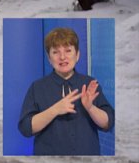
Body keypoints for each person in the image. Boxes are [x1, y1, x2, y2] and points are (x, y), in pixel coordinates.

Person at [17, 27, 114, 155]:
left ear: (77, 55)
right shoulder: (37, 87)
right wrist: (55, 110)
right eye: (55, 52)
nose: (62, 57)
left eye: (68, 51)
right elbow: (26, 128)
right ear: (49, 58)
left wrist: (90, 108)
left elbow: (108, 123)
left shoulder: (90, 84)